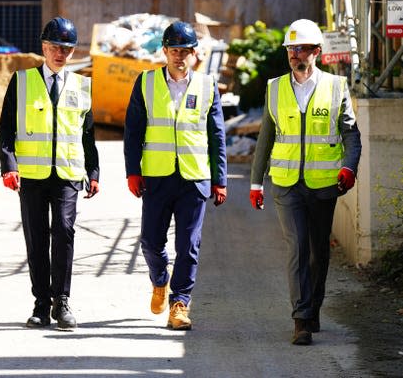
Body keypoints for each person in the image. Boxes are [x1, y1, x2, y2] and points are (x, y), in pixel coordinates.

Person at [249, 19, 362, 345]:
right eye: (290, 49)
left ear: (316, 52)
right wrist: (256, 184)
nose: (294, 54)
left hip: (324, 183)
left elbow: (351, 135)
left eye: (301, 49)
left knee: (318, 252)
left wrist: (349, 168)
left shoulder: (336, 86)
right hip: (286, 184)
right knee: (297, 247)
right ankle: (300, 318)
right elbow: (265, 139)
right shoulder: (275, 88)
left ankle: (313, 309)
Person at [124, 21, 227, 330]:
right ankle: (159, 279)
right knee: (151, 242)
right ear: (165, 51)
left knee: (189, 245)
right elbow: (133, 132)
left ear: (194, 54)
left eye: (186, 51)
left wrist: (220, 179)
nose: (180, 56)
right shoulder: (145, 82)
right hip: (157, 176)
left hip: (194, 178)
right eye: (174, 50)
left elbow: (217, 135)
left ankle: (179, 303)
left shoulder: (207, 86)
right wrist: (133, 171)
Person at [0, 16, 100, 330]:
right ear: (44, 47)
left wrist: (93, 172)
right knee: (37, 238)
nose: (61, 53)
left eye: (67, 48)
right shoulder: (22, 81)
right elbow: (6, 129)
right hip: (32, 174)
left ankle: (63, 302)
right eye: (56, 46)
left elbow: (87, 135)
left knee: (65, 233)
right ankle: (41, 304)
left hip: (68, 173)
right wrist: (8, 166)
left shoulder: (82, 85)